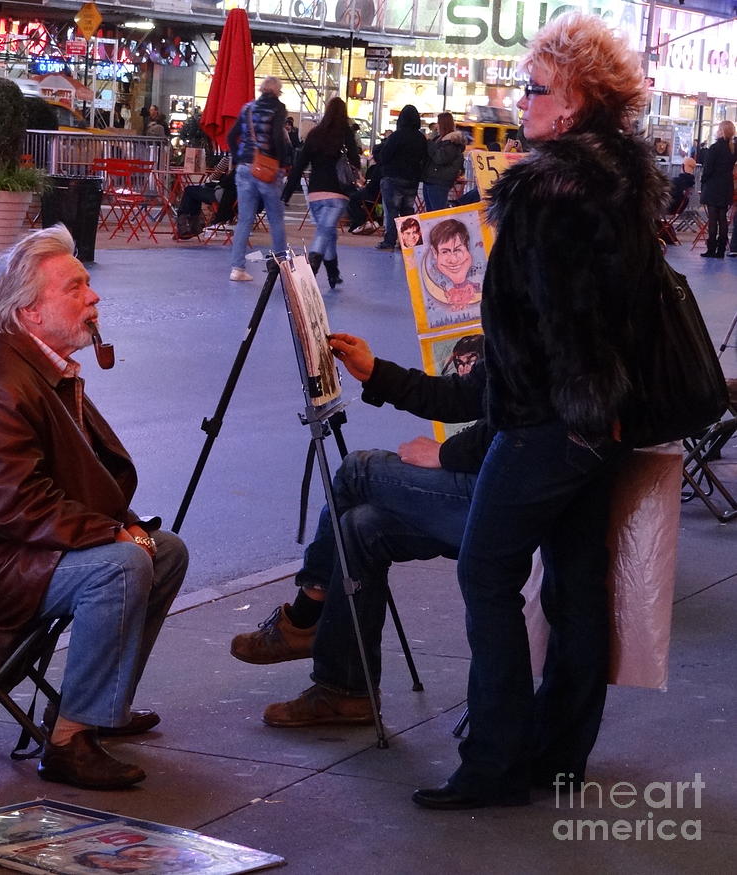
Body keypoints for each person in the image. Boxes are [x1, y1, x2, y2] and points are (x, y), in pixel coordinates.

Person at [411, 13, 668, 812]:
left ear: (576, 99)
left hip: (548, 422)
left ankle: (493, 759)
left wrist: (540, 411)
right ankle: (558, 755)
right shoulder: (620, 177)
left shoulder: (547, 185)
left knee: (487, 568)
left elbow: (560, 322)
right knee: (575, 585)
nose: (520, 99)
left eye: (534, 87)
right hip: (601, 422)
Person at [0, 225, 189, 790]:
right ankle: (68, 742)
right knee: (124, 563)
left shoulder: (38, 366)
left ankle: (94, 706)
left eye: (88, 284)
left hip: (14, 544)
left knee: (165, 552)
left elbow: (60, 484)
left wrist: (122, 528)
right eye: (75, 287)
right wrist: (113, 536)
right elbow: (16, 505)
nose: (94, 297)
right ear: (31, 312)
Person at [230, 331, 491, 726]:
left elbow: (526, 423)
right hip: (493, 477)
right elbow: (468, 395)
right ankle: (346, 691)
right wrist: (376, 373)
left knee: (358, 468)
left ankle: (305, 615)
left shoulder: (548, 306)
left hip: (511, 495)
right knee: (360, 526)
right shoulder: (529, 302)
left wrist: (445, 452)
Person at [282, 97, 360, 288]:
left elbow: (299, 165)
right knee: (325, 232)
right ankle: (313, 263)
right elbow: (355, 162)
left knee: (328, 232)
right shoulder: (345, 134)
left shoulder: (315, 134)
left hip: (316, 193)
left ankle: (333, 273)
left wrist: (287, 192)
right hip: (338, 192)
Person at [226, 76, 289, 282]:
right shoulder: (278, 109)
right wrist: (282, 162)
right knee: (275, 218)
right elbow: (278, 138)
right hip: (267, 169)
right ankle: (282, 265)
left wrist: (239, 156)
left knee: (245, 219)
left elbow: (231, 136)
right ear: (278, 91)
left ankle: (237, 269)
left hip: (245, 168)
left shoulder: (247, 108)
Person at [375, 104, 426, 250]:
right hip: (412, 180)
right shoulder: (420, 138)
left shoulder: (397, 136)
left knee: (392, 211)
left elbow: (385, 156)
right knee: (407, 211)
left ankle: (389, 241)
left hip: (393, 178)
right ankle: (409, 243)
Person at [424, 219, 481, 312]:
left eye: (458, 250)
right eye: (445, 252)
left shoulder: (482, 275)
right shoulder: (432, 280)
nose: (453, 260)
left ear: (468, 247)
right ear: (434, 253)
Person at [699, 119, 736, 258]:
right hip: (727, 187)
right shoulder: (733, 149)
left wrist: (703, 182)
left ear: (721, 131)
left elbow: (707, 170)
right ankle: (721, 250)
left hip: (713, 187)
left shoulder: (714, 148)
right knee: (723, 220)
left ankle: (711, 249)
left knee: (713, 220)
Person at [175, 155, 235, 239]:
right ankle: (192, 227)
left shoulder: (228, 160)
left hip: (222, 197)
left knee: (189, 190)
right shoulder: (248, 168)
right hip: (234, 201)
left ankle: (184, 227)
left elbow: (214, 177)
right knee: (195, 193)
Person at [422, 112, 466, 212]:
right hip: (431, 179)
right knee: (430, 214)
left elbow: (440, 158)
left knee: (437, 213)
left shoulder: (452, 142)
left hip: (438, 182)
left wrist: (429, 143)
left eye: (438, 122)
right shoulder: (439, 139)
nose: (436, 125)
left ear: (443, 124)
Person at [346, 147, 383, 234]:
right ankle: (370, 220)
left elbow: (369, 184)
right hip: (381, 195)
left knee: (353, 198)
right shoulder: (385, 168)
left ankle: (361, 221)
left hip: (373, 193)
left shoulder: (375, 168)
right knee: (361, 197)